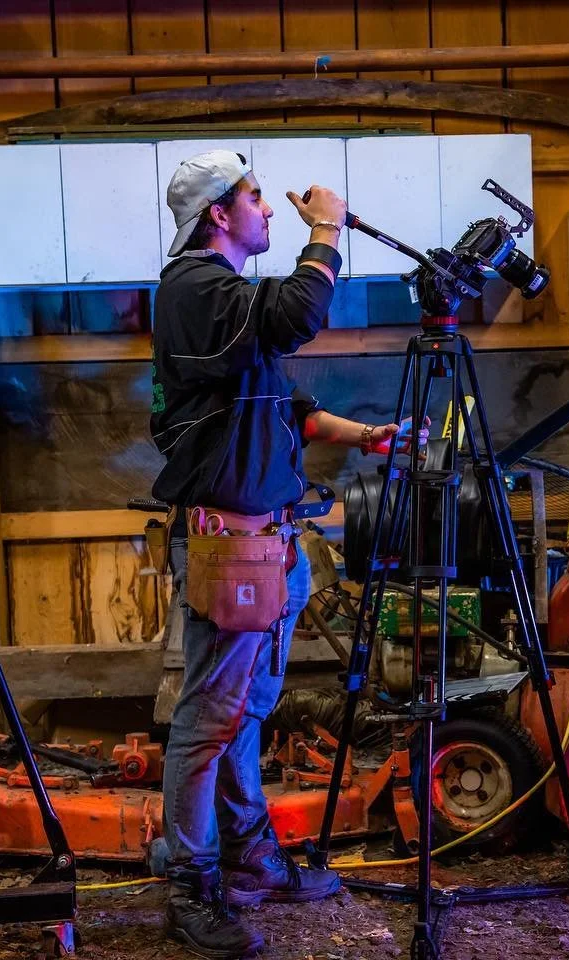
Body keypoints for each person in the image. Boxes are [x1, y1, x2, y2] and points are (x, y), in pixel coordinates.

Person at [150, 148, 423, 958]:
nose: (270, 209)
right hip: (230, 547)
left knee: (241, 713)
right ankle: (191, 888)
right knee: (207, 721)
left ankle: (250, 858)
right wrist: (329, 228)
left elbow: (291, 408)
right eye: (255, 198)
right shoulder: (196, 290)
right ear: (218, 216)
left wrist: (370, 436)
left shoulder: (226, 304)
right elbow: (296, 314)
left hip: (267, 543)